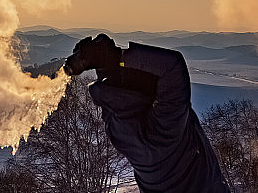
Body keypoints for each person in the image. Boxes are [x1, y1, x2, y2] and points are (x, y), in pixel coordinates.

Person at [63, 34, 230, 193]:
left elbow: (115, 99)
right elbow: (172, 66)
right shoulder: (164, 131)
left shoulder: (117, 129)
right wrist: (118, 56)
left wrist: (105, 65)